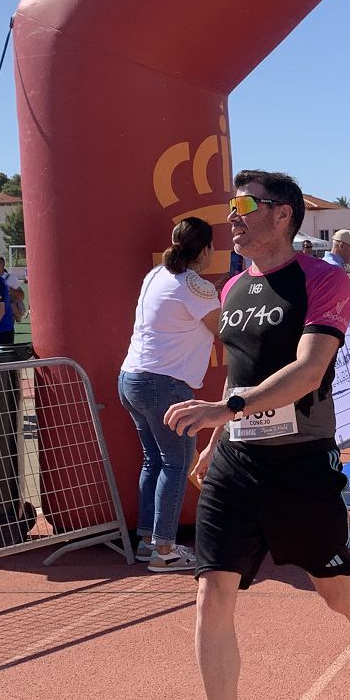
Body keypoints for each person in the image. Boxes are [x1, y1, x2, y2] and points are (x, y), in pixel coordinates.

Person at [164, 170, 350, 700]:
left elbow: (307, 371)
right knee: (212, 594)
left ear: (283, 214)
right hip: (236, 462)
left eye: (245, 203)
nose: (232, 215)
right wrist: (220, 437)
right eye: (231, 204)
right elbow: (240, 375)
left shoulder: (323, 280)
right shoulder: (232, 288)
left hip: (301, 464)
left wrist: (222, 412)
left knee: (335, 590)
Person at [119, 217, 220, 572]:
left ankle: (149, 541)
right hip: (164, 383)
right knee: (176, 464)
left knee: (155, 461)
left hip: (131, 378)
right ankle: (164, 549)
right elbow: (225, 330)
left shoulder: (155, 275)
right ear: (206, 250)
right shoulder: (197, 286)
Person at [0, 254, 27, 321]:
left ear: (1, 264)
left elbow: (21, 296)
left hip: (8, 312)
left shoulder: (11, 278)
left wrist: (7, 288)